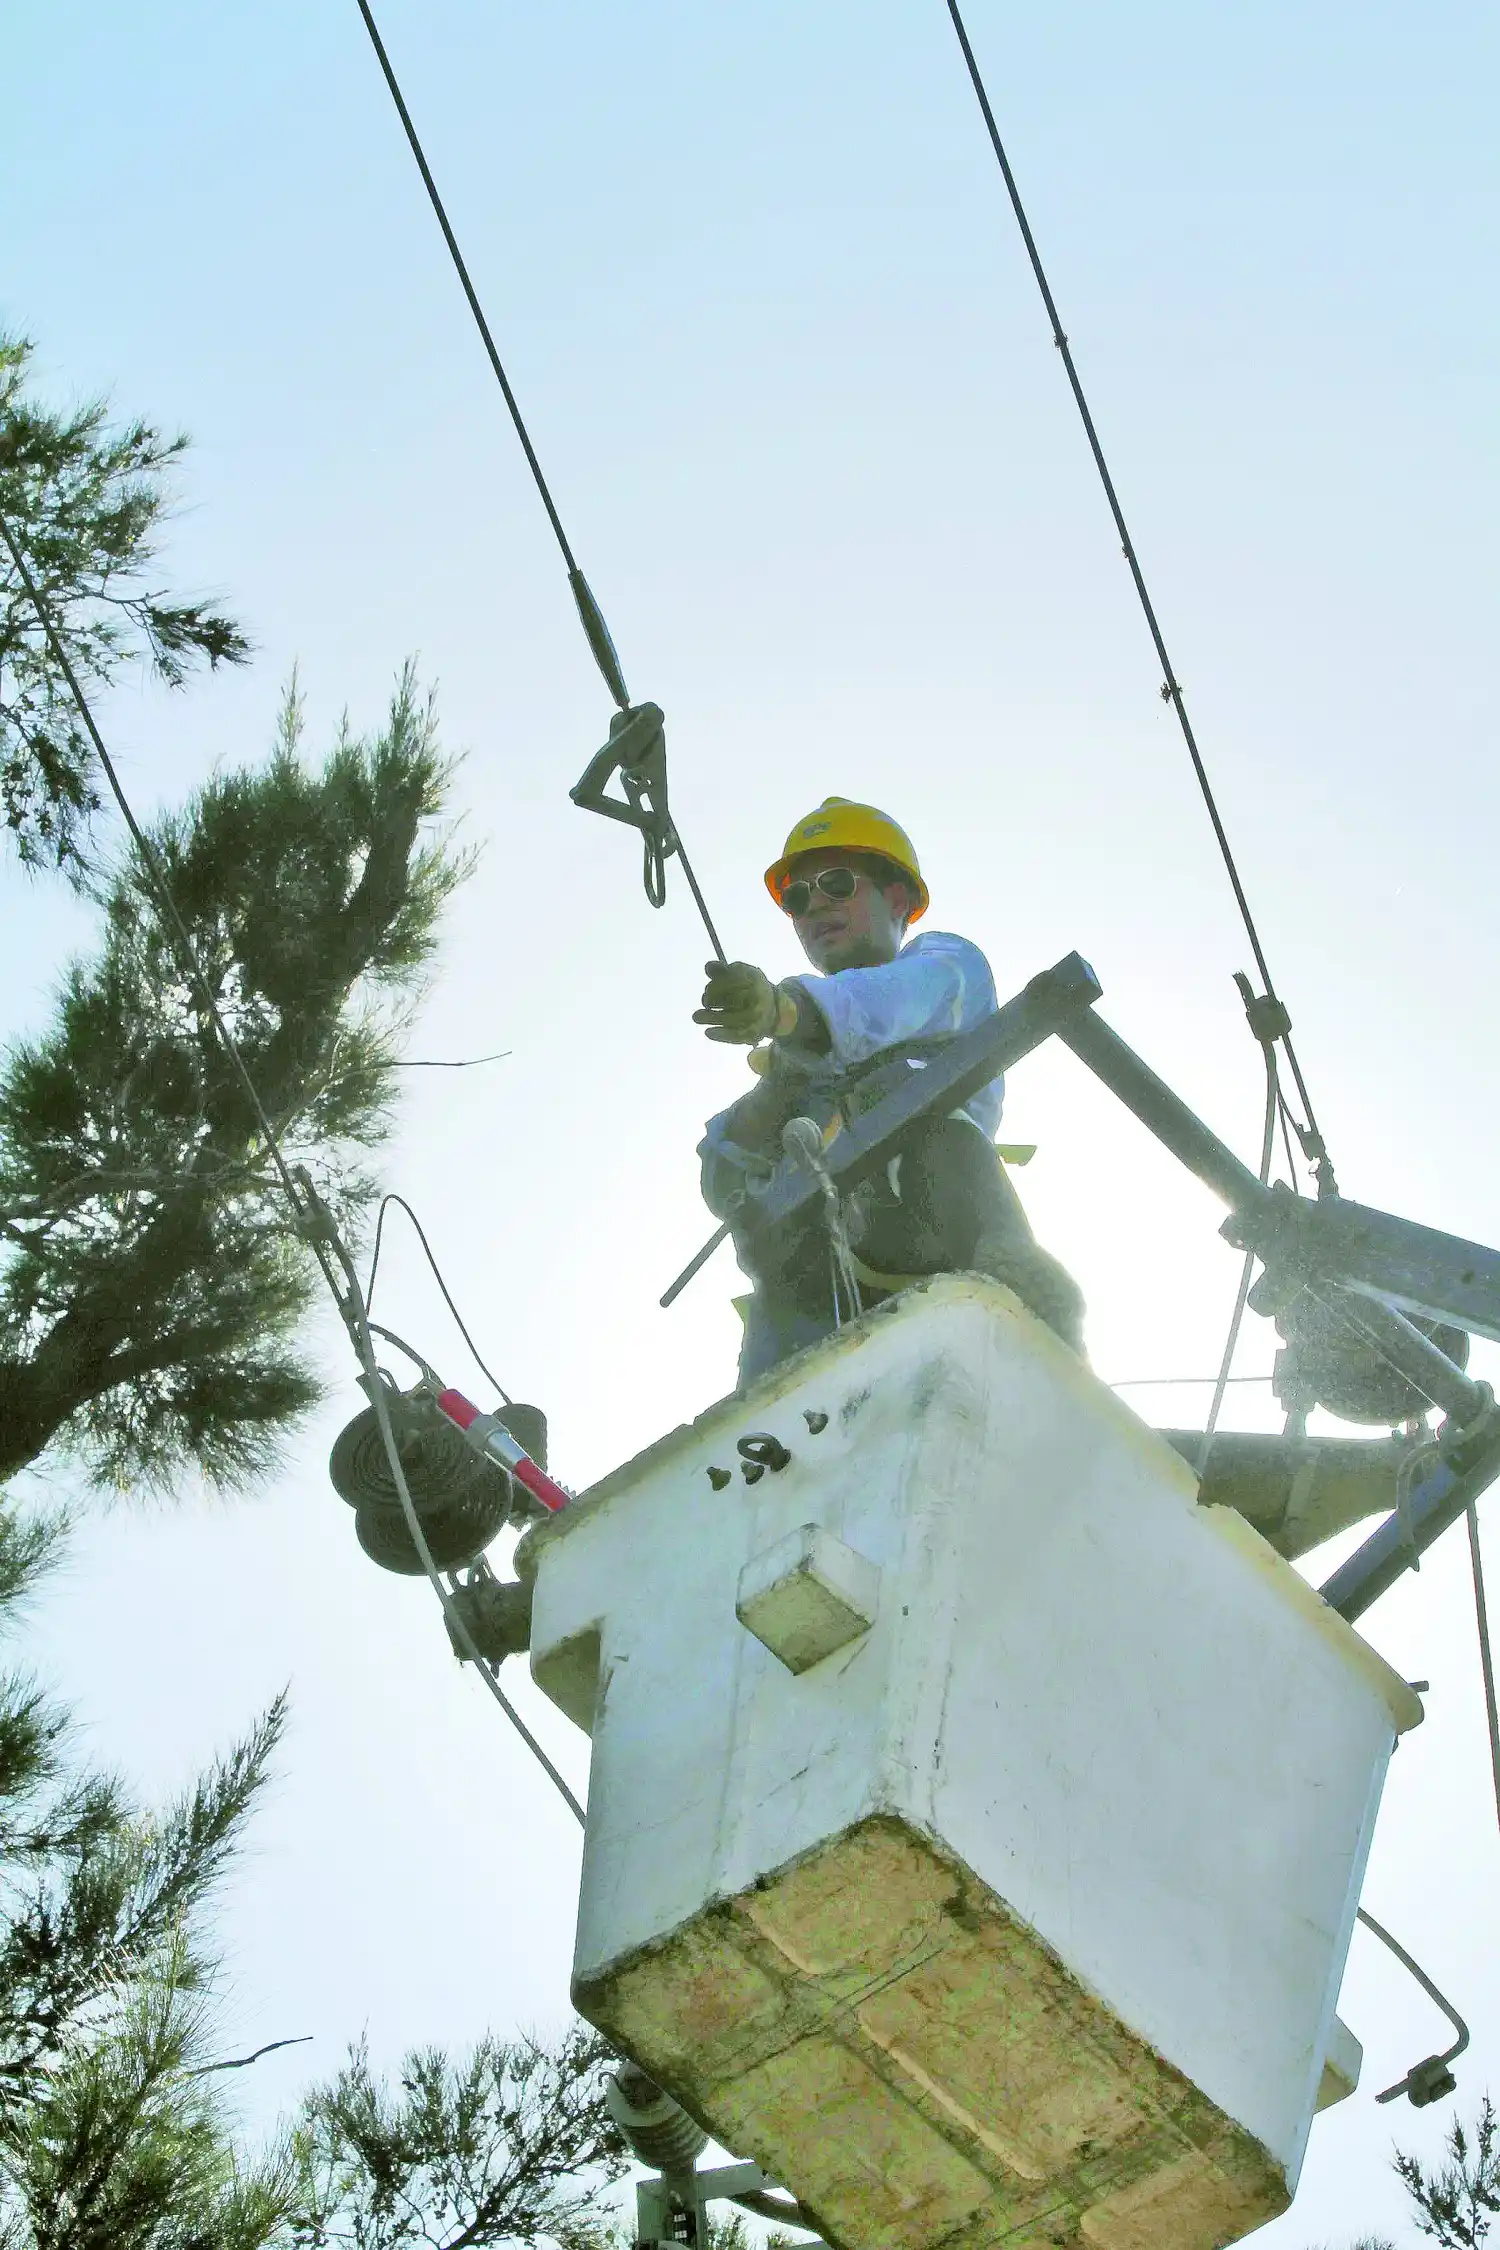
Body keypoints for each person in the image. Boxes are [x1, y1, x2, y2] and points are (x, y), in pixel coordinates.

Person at [695, 796, 1085, 1387]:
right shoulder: (807, 1052)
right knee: (775, 1213)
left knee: (894, 1093)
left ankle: (1018, 1290)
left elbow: (888, 1002)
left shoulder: (946, 965)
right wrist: (781, 1082)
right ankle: (772, 1409)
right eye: (799, 899)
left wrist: (788, 1012)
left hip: (937, 1244)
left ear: (897, 899)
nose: (816, 905)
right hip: (833, 1304)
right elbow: (724, 1179)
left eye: (835, 884)